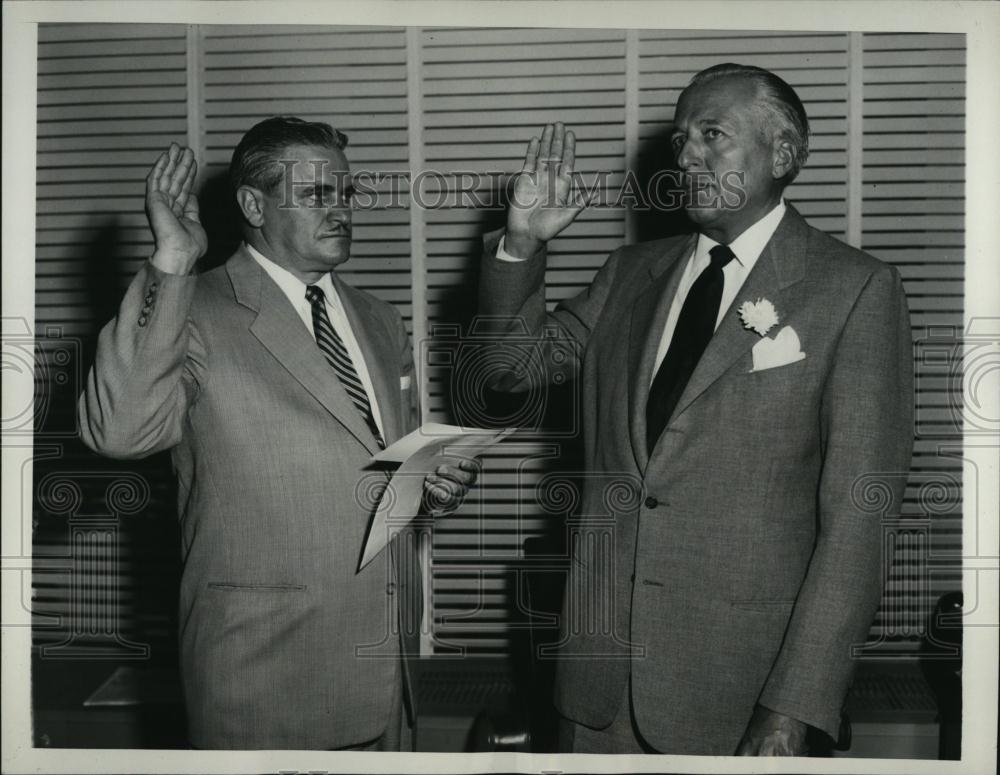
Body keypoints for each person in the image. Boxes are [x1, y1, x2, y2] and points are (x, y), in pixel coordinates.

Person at [477, 64, 913, 755]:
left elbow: (860, 525)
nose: (686, 155)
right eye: (681, 139)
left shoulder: (855, 290)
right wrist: (524, 244)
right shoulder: (628, 275)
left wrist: (794, 705)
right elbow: (504, 373)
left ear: (785, 154)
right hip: (596, 688)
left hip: (743, 692)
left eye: (713, 134)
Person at [78, 117, 478, 750]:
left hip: (387, 675)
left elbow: (384, 468)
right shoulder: (195, 305)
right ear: (251, 204)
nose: (341, 210)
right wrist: (174, 260)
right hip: (261, 681)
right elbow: (121, 432)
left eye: (346, 194)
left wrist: (435, 480)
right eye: (318, 195)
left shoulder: (379, 318)